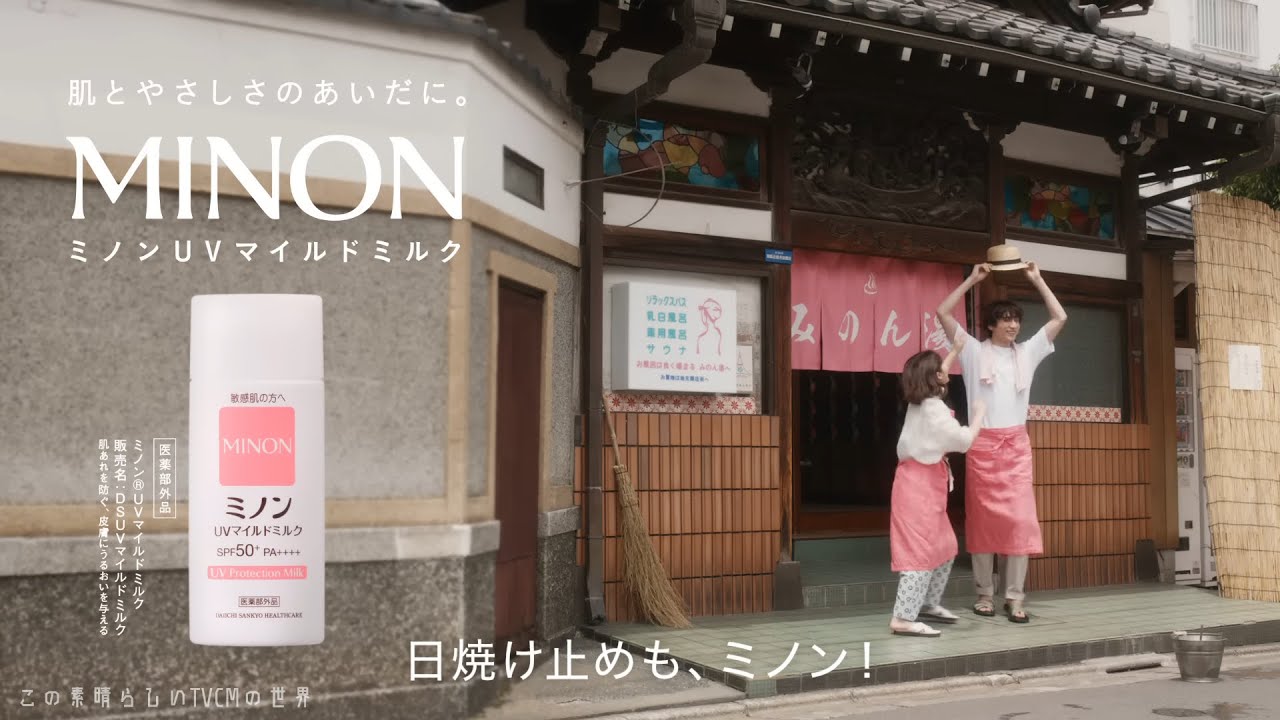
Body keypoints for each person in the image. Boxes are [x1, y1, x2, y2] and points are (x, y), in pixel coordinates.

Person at [936, 260, 1067, 624]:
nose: (1013, 325)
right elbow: (942, 312)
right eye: (1005, 319)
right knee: (982, 522)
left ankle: (1014, 597)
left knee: (1020, 522)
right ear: (991, 324)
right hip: (982, 446)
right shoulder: (972, 351)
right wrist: (972, 280)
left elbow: (1059, 317)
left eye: (1016, 319)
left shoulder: (1028, 351)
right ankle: (984, 595)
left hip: (1017, 447)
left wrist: (1037, 279)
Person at [888, 338, 987, 637]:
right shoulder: (934, 410)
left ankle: (927, 605)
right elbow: (964, 441)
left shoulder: (921, 402)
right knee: (918, 553)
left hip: (922, 484)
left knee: (944, 547)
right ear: (935, 379)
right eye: (941, 371)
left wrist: (955, 351)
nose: (946, 373)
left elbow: (938, 370)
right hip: (918, 488)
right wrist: (979, 413)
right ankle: (903, 618)